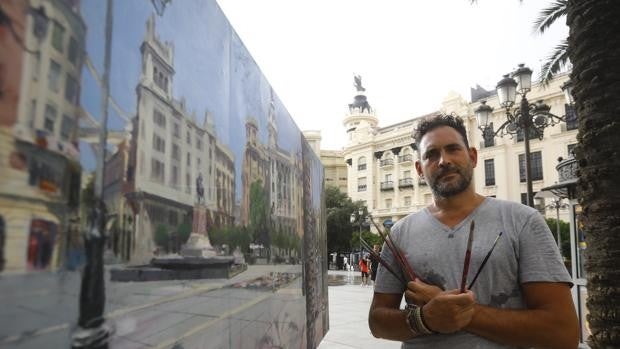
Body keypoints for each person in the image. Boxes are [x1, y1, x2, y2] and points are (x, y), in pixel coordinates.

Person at [368, 114, 579, 348]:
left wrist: (458, 312)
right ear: (419, 168)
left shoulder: (523, 221)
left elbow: (563, 332)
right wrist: (424, 319)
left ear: (473, 156)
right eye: (431, 154)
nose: (443, 160)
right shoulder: (400, 233)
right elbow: (377, 322)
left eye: (453, 149)